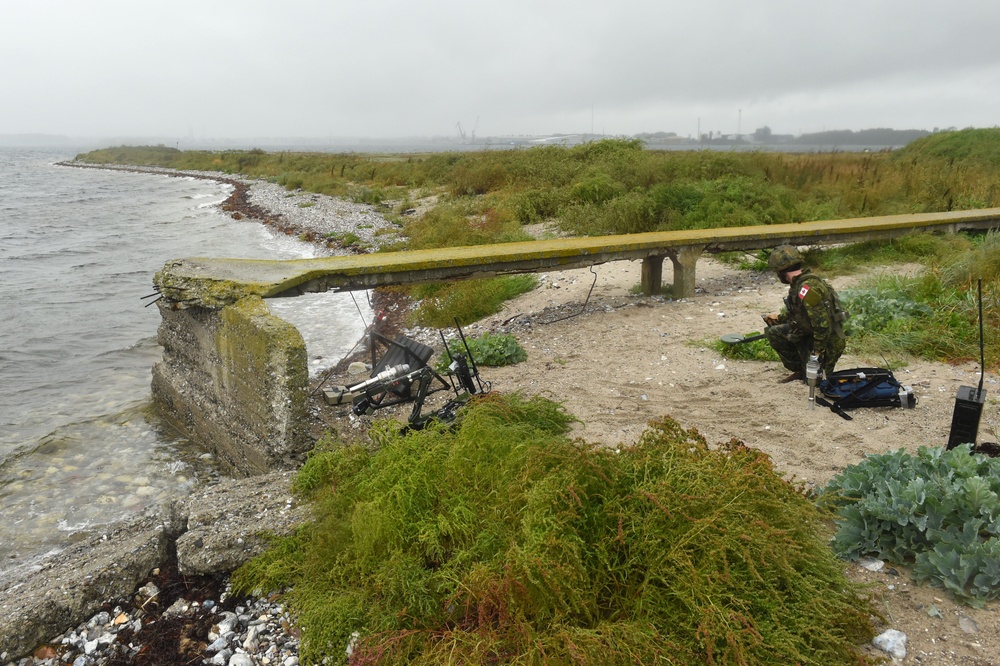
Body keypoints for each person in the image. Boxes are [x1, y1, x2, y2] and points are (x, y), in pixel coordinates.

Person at [763, 245, 847, 383]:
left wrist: (817, 353)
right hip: (810, 335)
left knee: (815, 382)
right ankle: (801, 369)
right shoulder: (800, 284)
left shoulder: (806, 288)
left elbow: (822, 325)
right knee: (774, 332)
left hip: (828, 341)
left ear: (781, 272)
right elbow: (799, 314)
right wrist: (780, 318)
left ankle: (813, 369)